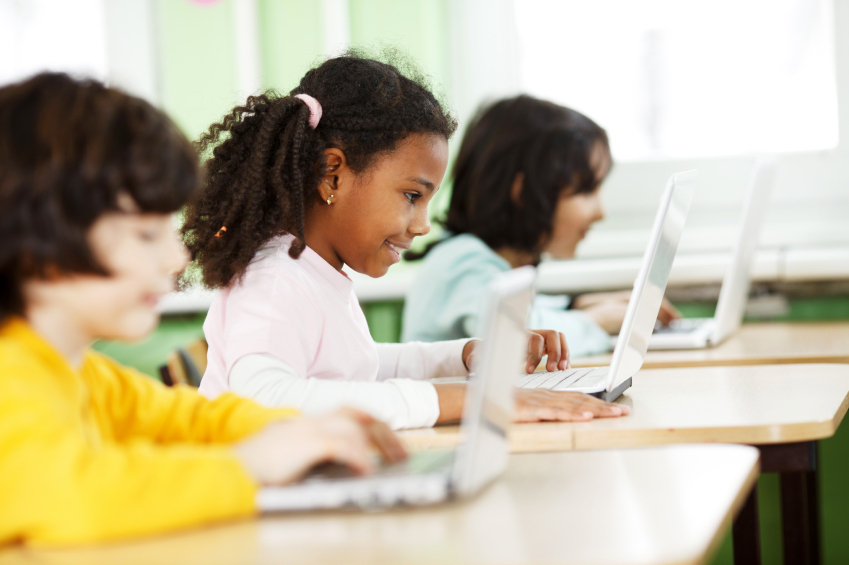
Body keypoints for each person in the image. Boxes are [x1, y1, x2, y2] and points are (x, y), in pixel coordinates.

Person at [0, 73, 406, 546]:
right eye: (146, 235)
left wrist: (302, 432)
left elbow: (191, 419)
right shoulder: (10, 375)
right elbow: (69, 495)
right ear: (36, 246)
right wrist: (250, 464)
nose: (177, 259)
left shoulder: (81, 375)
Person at [185, 53, 628, 430]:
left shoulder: (314, 273)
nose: (422, 225)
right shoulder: (275, 277)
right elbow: (263, 399)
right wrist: (461, 402)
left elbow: (363, 365)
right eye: (412, 196)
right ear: (330, 173)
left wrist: (464, 356)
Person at [402, 95, 680, 356]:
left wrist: (578, 304)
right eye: (586, 191)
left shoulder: (487, 261)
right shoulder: (461, 262)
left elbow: (528, 311)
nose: (600, 212)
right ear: (525, 194)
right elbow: (520, 336)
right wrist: (600, 319)